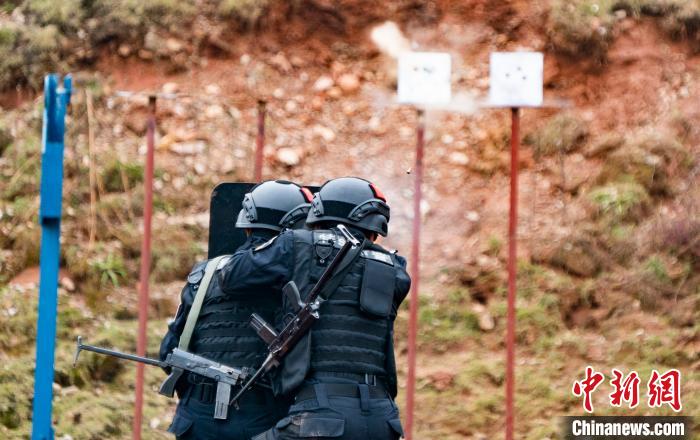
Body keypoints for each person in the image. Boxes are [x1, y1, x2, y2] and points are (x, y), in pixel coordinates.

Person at [219, 177, 410, 440]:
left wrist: (264, 236)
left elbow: (231, 276)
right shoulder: (396, 269)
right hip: (383, 419)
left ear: (320, 213)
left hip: (319, 413)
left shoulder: (296, 244)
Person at [160, 180, 314, 440]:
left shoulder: (205, 274)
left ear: (247, 227)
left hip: (197, 417)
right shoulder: (301, 284)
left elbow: (168, 352)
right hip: (266, 420)